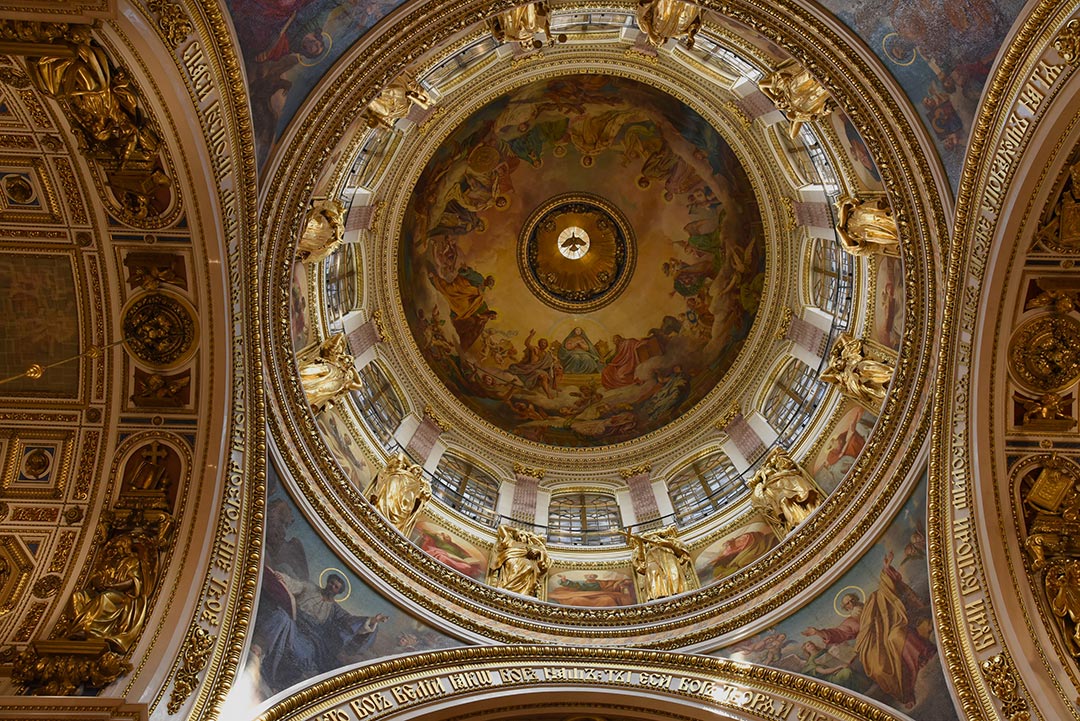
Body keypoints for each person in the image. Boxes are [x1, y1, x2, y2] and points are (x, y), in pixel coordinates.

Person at [802, 551, 935, 707]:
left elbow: (886, 589)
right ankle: (905, 693)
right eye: (847, 604)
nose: (851, 604)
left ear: (856, 598)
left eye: (852, 600)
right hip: (872, 646)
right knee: (878, 668)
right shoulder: (849, 622)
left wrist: (886, 569)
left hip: (889, 630)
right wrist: (817, 632)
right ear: (846, 609)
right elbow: (838, 633)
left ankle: (922, 657)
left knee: (898, 636)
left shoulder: (873, 601)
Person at [255, 568, 389, 694]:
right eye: (331, 583)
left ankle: (277, 680)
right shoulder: (310, 588)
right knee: (281, 617)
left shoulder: (334, 610)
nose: (332, 587)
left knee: (301, 654)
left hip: (307, 637)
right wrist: (282, 578)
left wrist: (372, 620)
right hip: (293, 620)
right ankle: (260, 652)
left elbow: (350, 621)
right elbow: (295, 584)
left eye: (336, 587)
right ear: (327, 582)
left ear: (338, 592)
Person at [489, 525, 550, 597]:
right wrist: (515, 530)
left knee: (529, 566)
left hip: (526, 562)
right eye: (518, 537)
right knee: (510, 562)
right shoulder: (511, 542)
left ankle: (524, 592)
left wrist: (538, 552)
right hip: (511, 559)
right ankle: (506, 587)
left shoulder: (532, 547)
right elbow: (501, 527)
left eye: (522, 535)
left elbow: (544, 555)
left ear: (527, 537)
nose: (520, 538)